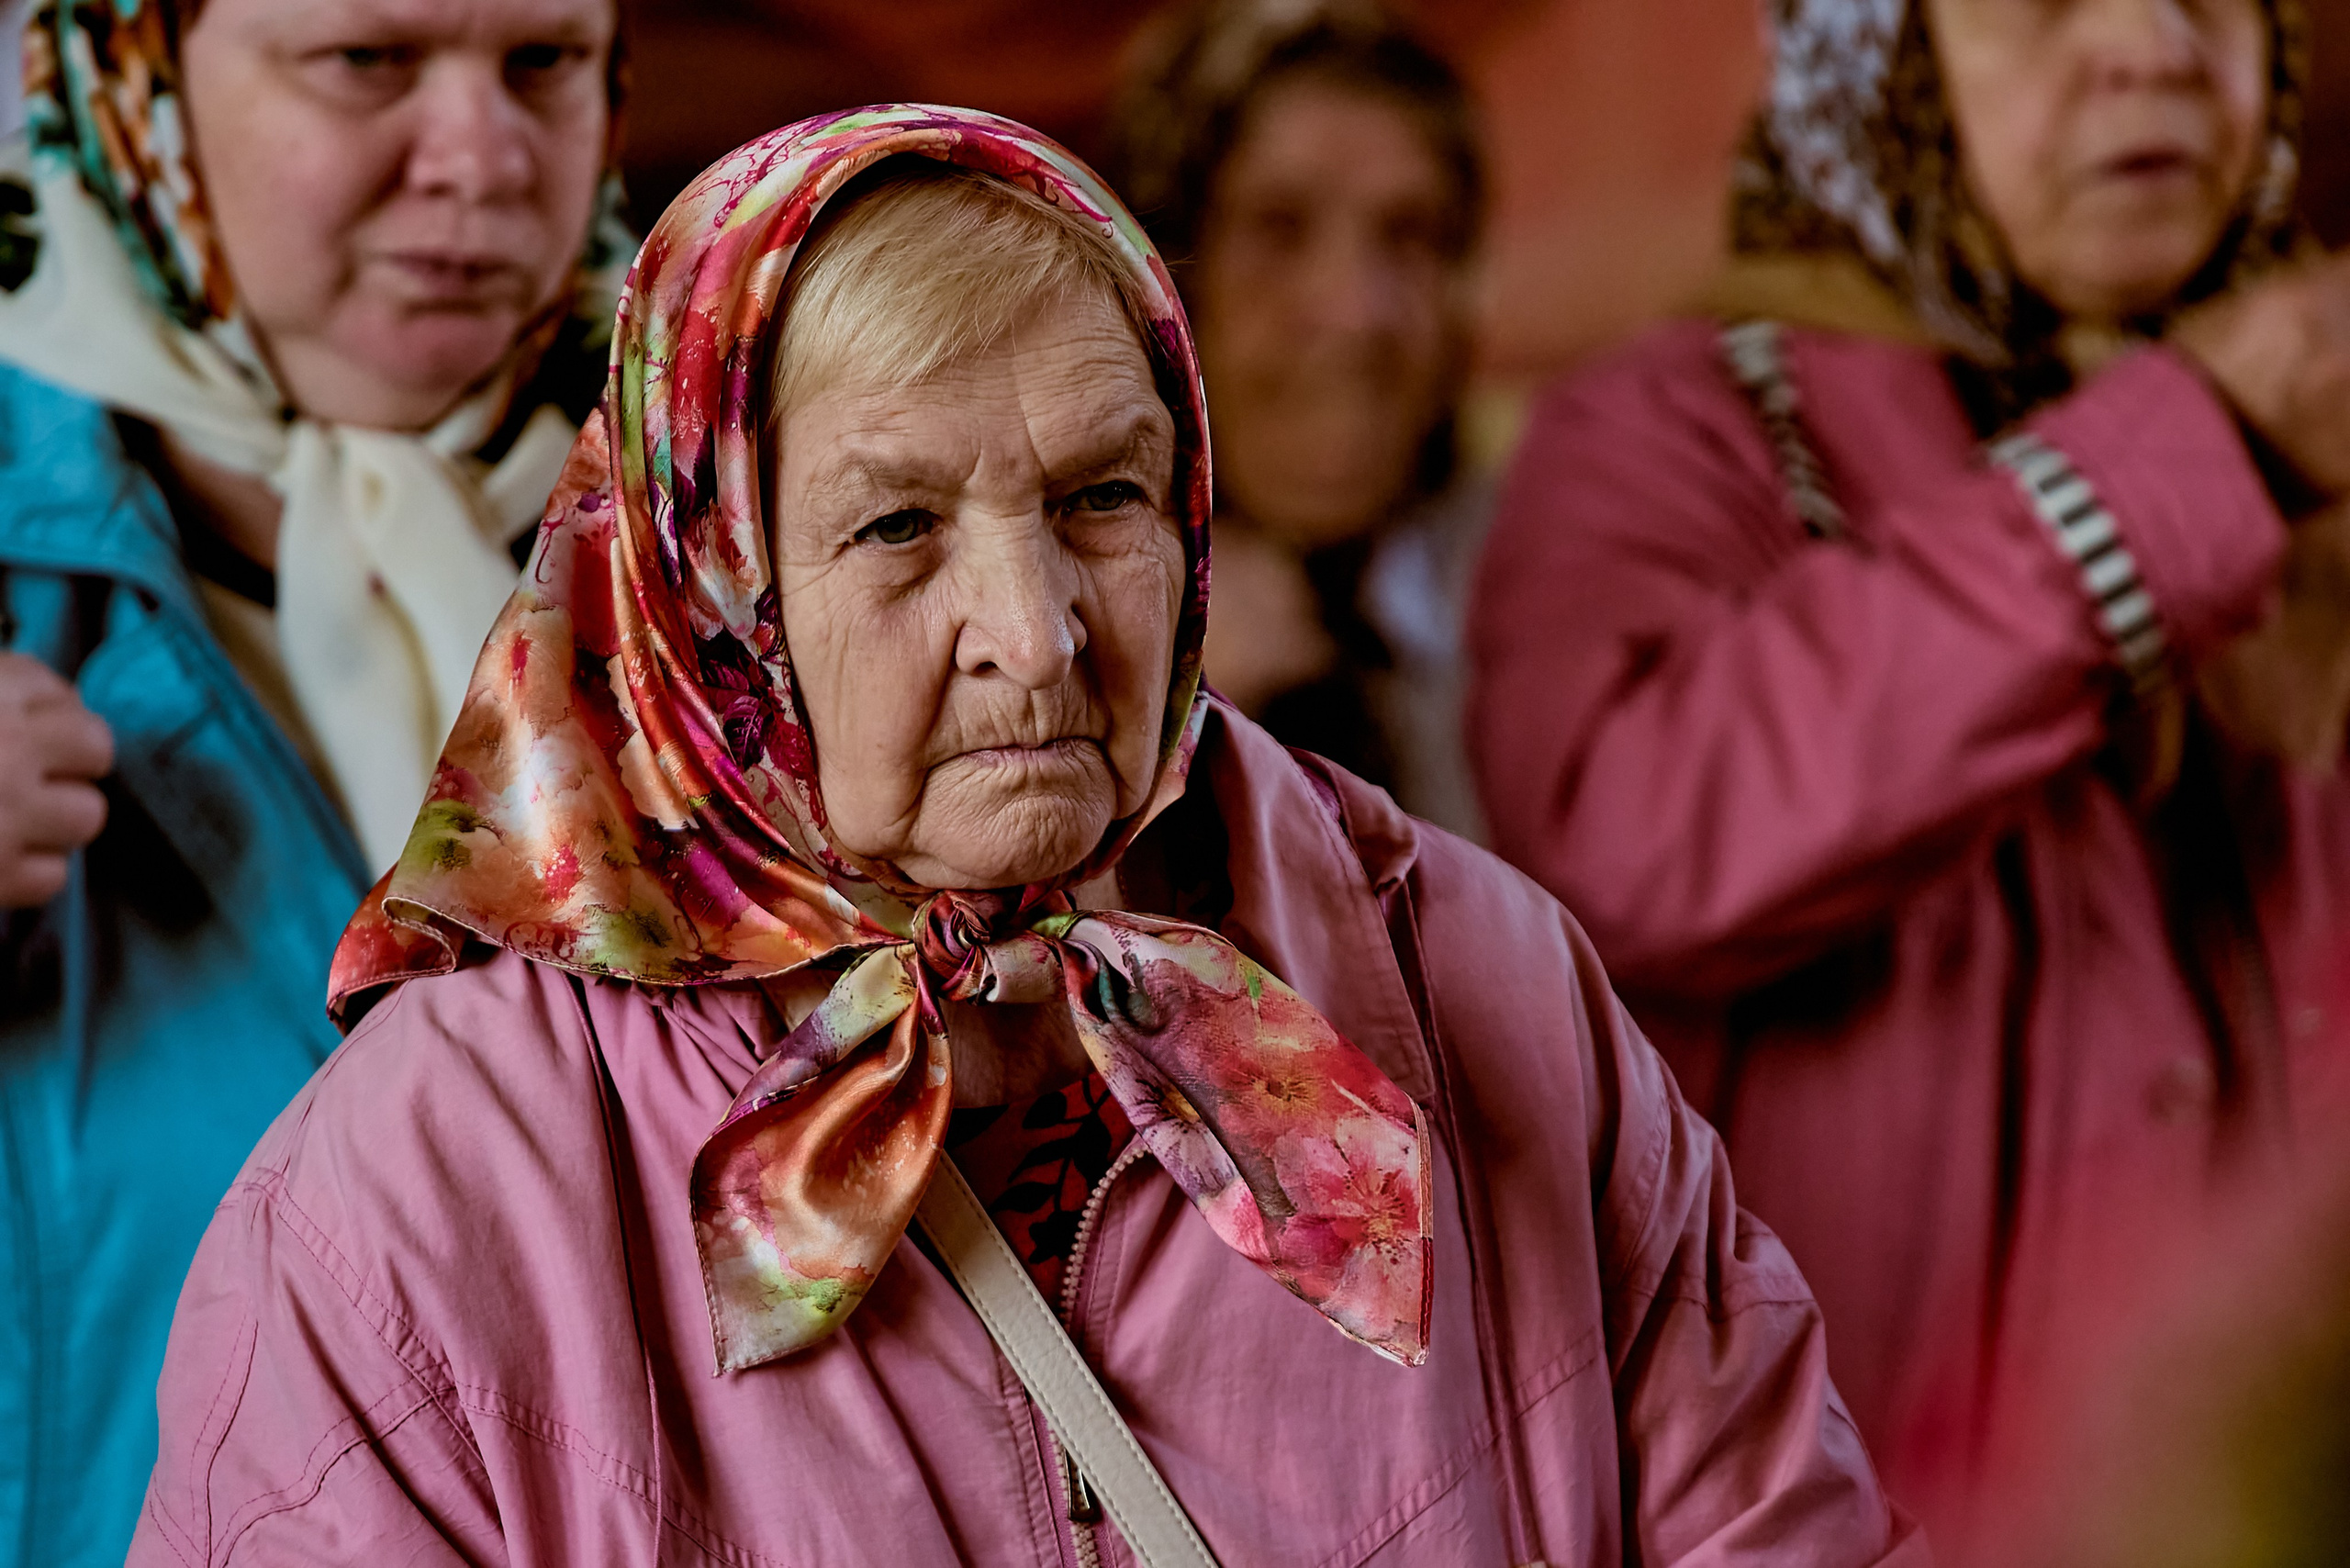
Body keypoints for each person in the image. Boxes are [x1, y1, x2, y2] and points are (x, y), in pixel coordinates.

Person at [129, 107, 1923, 1567]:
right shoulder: (425, 1192)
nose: (1041, 629)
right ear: (705, 581)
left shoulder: (1471, 977)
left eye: (1102, 497)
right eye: (899, 523)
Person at [1468, 0, 2350, 1540]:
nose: (2153, 48)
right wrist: (2189, 453)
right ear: (1878, 66)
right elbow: (1632, 839)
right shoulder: (1679, 428)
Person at [0, 0, 621, 1558]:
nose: (484, 158)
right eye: (370, 59)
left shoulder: (763, 541)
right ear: (129, 69)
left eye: (544, 63)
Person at [1100, 0, 1491, 839]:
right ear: (1162, 287)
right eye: (1278, 229)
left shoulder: (1548, 587)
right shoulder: (1041, 629)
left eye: (1411, 236)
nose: (1357, 313)